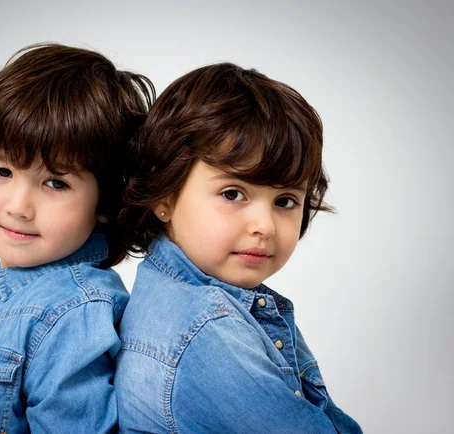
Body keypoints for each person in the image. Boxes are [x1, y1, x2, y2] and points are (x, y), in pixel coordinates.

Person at [115, 63, 362, 433]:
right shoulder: (205, 331)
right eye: (233, 193)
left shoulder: (175, 298)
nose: (264, 226)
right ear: (164, 194)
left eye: (285, 201)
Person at [0, 43, 154, 433]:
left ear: (106, 201)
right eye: (2, 171)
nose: (19, 206)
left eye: (55, 182)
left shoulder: (71, 313)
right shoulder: (7, 295)